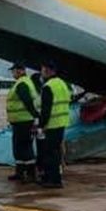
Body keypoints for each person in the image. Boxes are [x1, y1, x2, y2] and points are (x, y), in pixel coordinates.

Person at [36, 61, 71, 189]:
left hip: (51, 124)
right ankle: (54, 177)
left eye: (43, 70)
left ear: (48, 71)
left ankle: (52, 179)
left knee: (49, 153)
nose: (41, 73)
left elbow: (46, 109)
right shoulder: (62, 84)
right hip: (61, 123)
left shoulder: (48, 87)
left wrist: (41, 125)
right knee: (56, 152)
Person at [6, 62, 40, 182]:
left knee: (25, 147)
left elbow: (27, 101)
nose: (13, 73)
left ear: (20, 71)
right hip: (19, 121)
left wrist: (34, 115)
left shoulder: (22, 84)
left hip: (24, 121)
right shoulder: (24, 82)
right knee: (18, 147)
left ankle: (31, 174)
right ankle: (20, 172)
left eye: (14, 71)